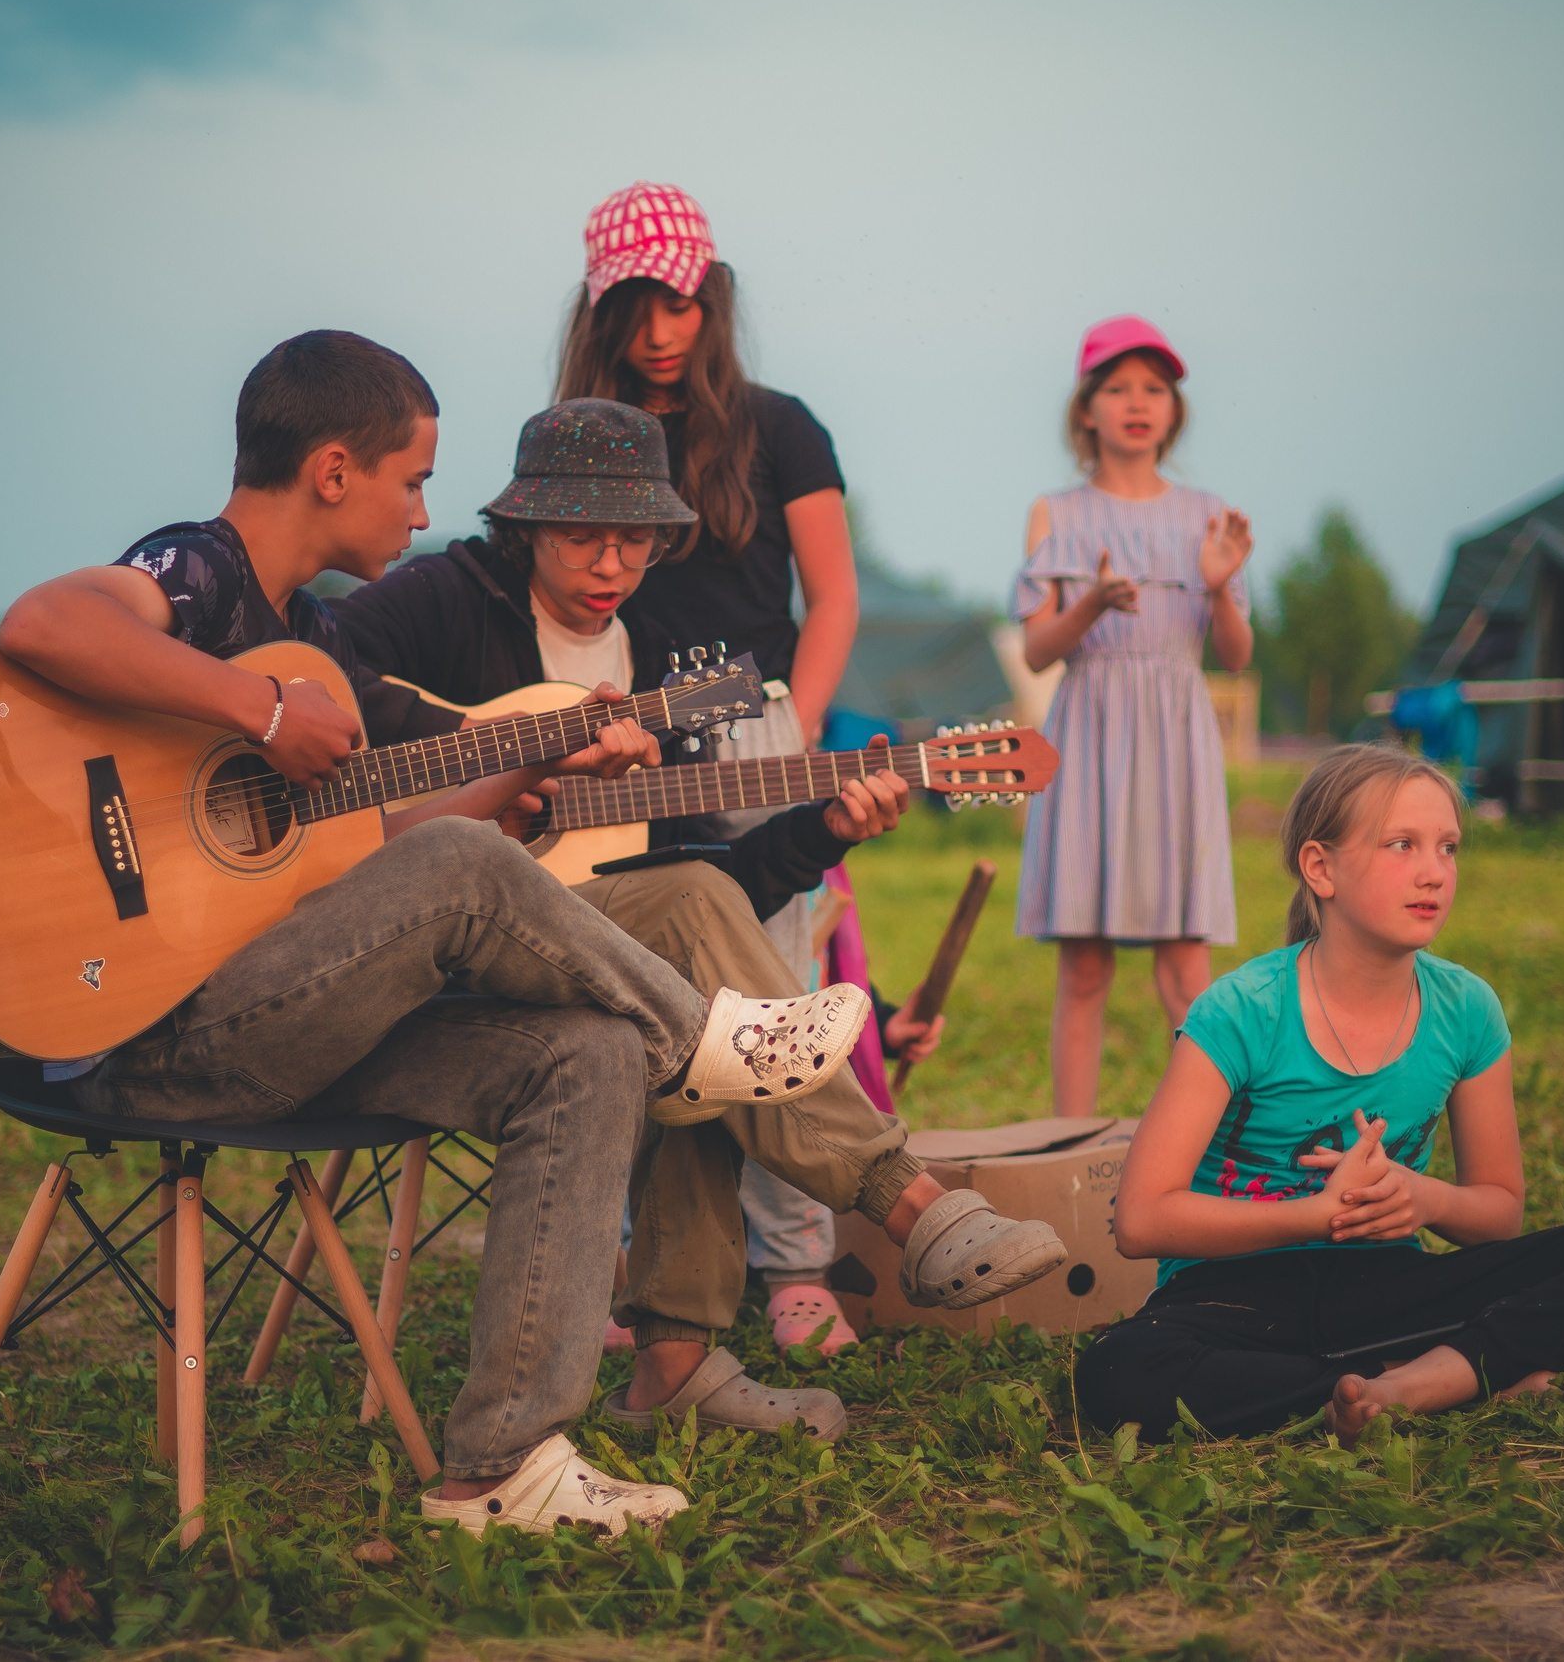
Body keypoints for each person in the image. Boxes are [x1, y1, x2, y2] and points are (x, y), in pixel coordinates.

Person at [0, 330, 877, 1537]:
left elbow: (371, 847)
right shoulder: (198, 574)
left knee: (585, 1051)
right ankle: (705, 1042)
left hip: (293, 1006)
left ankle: (502, 1467)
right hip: (151, 1027)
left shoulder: (312, 629)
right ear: (334, 470)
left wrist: (519, 776)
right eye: (413, 480)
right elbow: (44, 624)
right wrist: (255, 706)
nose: (424, 511)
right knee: (468, 873)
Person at [332, 397, 1067, 1441]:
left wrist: (828, 828)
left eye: (635, 541)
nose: (611, 566)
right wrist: (503, 762)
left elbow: (704, 874)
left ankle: (670, 1371)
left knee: (704, 1027)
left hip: (582, 954)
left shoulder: (651, 664)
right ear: (529, 527)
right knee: (706, 991)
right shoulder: (448, 601)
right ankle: (907, 1202)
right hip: (417, 942)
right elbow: (309, 672)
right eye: (584, 536)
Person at [1074, 744, 1564, 1443]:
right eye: (1401, 845)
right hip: (1234, 1296)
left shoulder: (1467, 1009)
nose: (1434, 871)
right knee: (1116, 1371)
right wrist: (1321, 1215)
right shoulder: (1241, 1010)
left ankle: (1418, 1381)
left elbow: (1497, 1214)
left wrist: (1421, 1197)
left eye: (1448, 848)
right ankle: (1425, 1383)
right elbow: (1142, 1219)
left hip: (1391, 1290)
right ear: (1321, 868)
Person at [553, 181, 866, 1336]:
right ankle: (637, 1269)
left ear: (712, 297)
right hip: (612, 744)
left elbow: (831, 596)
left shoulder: (781, 426)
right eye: (640, 305)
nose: (665, 330)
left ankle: (794, 1271)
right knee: (630, 1001)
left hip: (758, 736)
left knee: (776, 997)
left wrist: (803, 741)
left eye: (684, 301)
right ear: (603, 312)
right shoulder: (578, 438)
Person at [1015, 315, 1256, 1117]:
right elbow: (1040, 652)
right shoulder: (1055, 512)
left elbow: (1235, 654)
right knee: (1083, 965)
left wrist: (1222, 584)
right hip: (1088, 734)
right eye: (1116, 387)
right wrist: (1089, 605)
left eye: (1154, 388)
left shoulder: (1208, 513)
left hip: (1177, 736)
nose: (1136, 403)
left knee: (1188, 967)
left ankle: (1218, 1141)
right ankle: (1070, 1145)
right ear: (1086, 409)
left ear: (1175, 409)